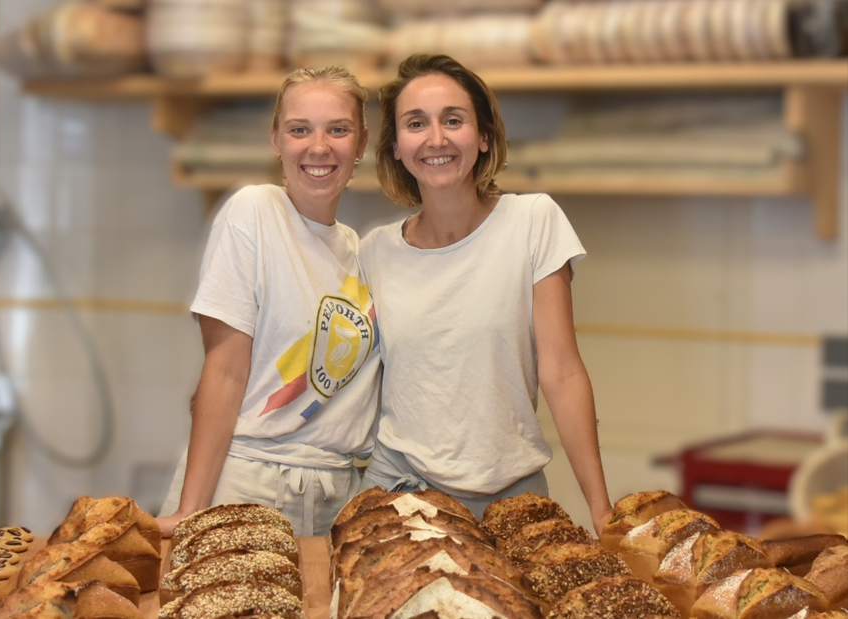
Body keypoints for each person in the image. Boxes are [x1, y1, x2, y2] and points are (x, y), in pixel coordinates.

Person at [358, 54, 613, 534]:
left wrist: (602, 511)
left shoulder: (534, 222)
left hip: (513, 500)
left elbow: (562, 370)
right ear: (395, 146)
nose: (436, 139)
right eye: (416, 123)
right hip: (400, 494)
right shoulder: (374, 252)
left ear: (483, 137)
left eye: (453, 120)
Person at [157, 66, 381, 538]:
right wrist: (189, 509)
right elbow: (224, 369)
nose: (318, 147)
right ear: (276, 139)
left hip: (339, 495)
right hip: (248, 481)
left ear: (361, 143)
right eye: (299, 129)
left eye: (337, 130)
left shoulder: (360, 252)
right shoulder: (254, 212)